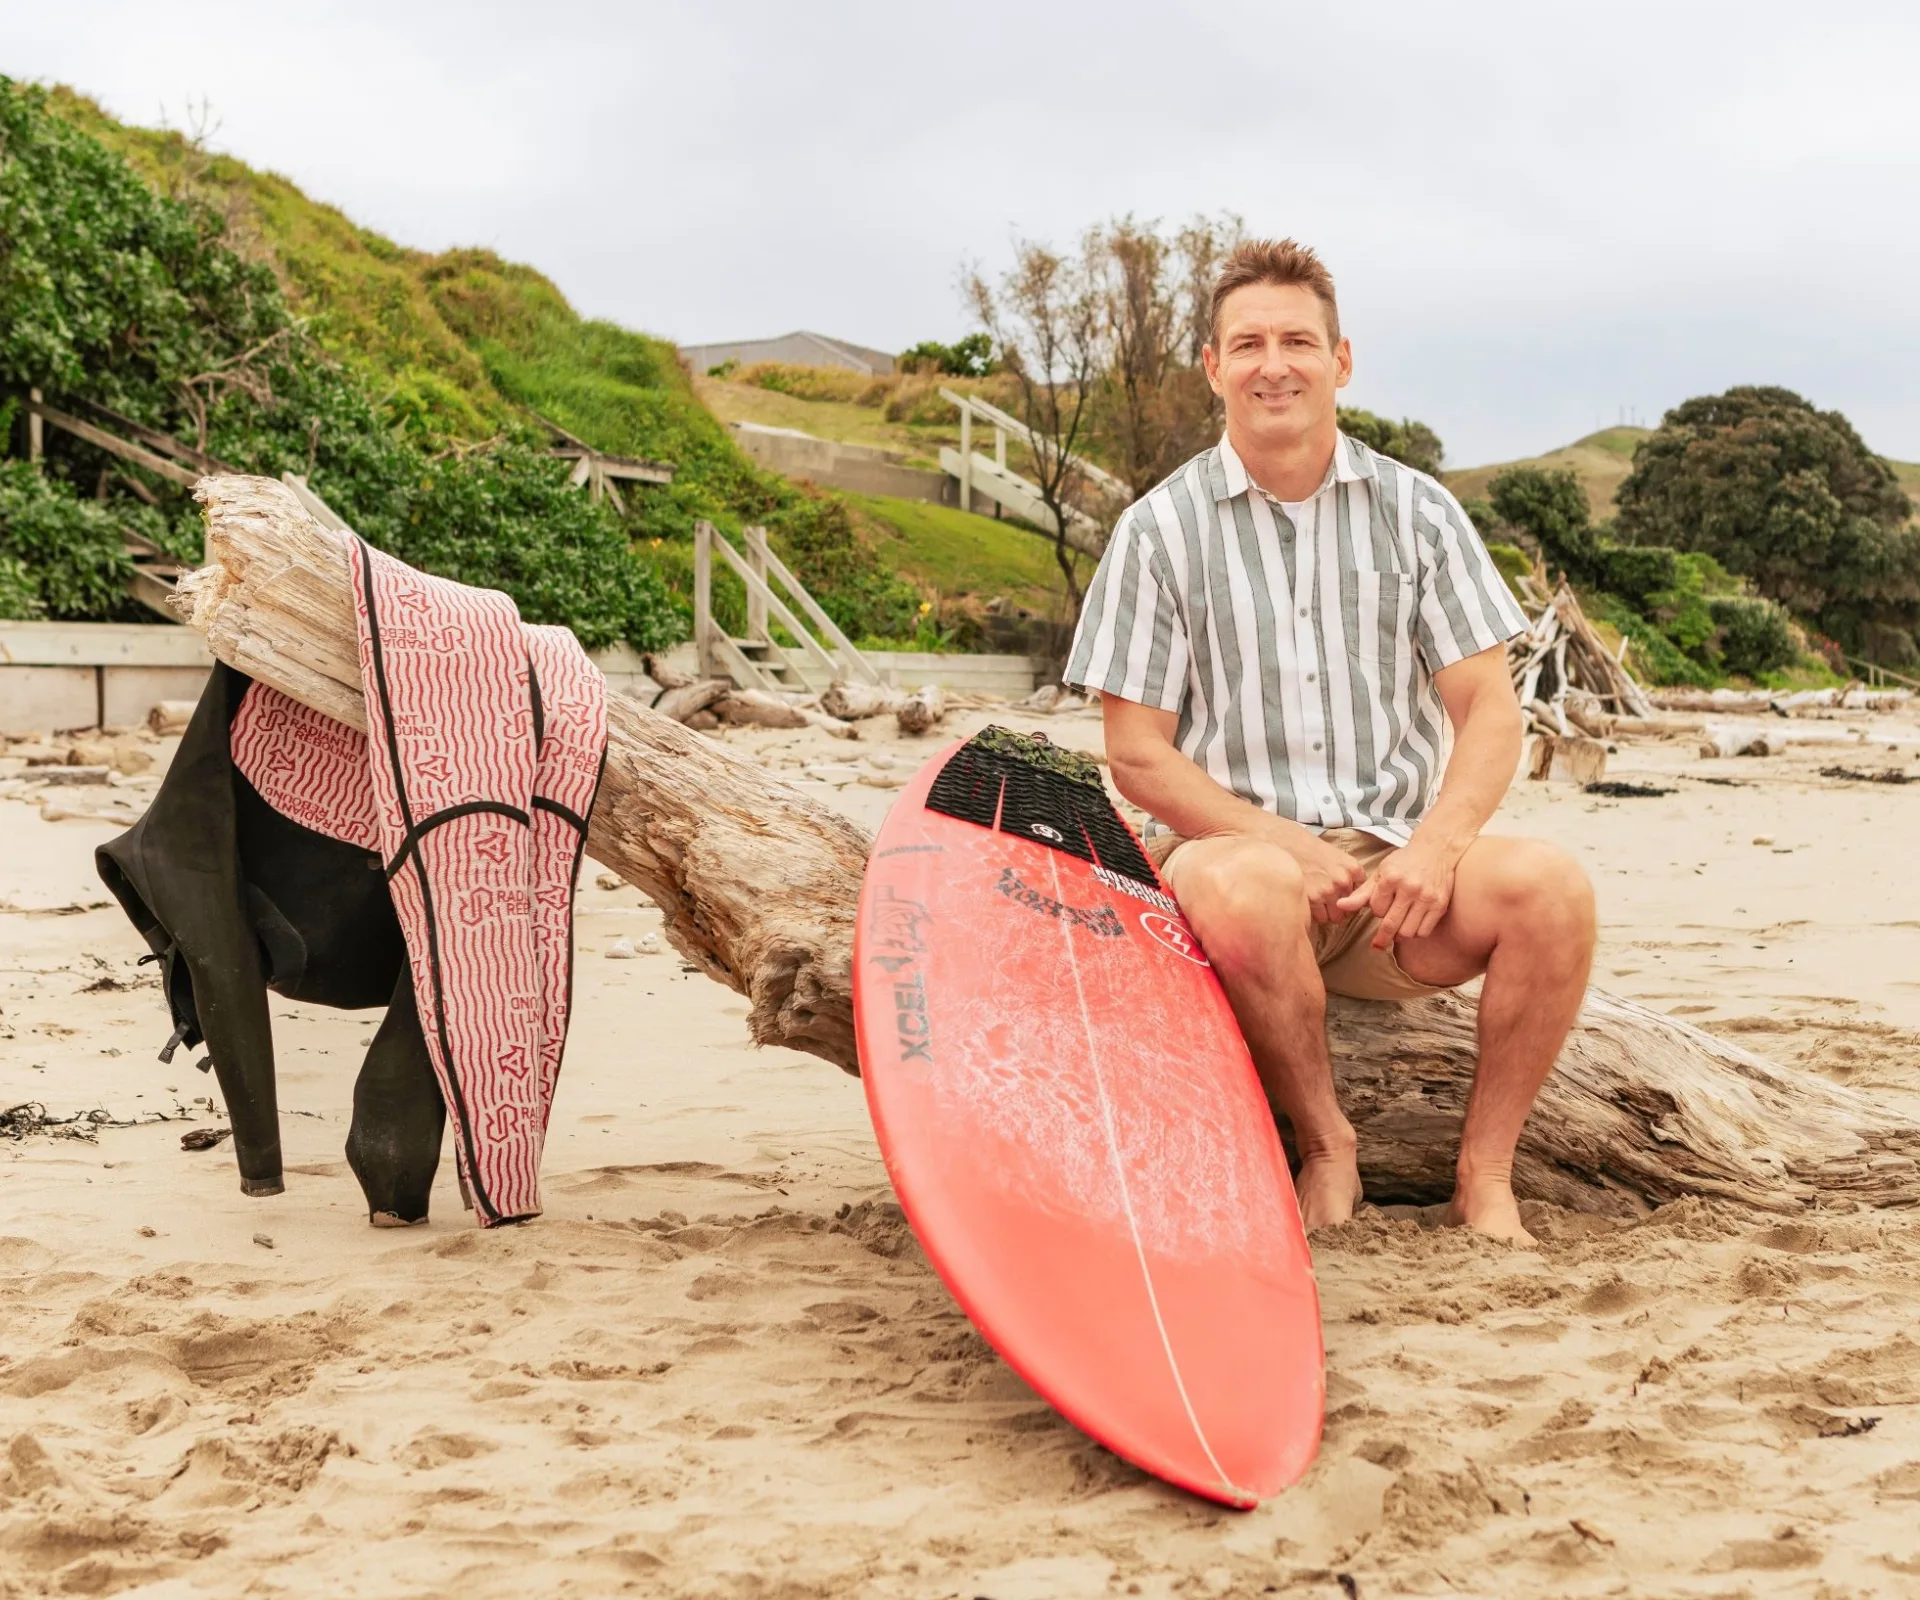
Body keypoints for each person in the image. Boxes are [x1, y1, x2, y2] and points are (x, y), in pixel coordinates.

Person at [1063, 238, 1595, 1245]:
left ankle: (1483, 1177)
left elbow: (1490, 706)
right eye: (1249, 342)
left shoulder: (1419, 513)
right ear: (1213, 367)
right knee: (1239, 884)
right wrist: (1282, 843)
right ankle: (1325, 1142)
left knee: (1554, 891)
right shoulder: (1159, 531)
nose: (1276, 363)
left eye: (1299, 340)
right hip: (1234, 867)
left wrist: (1436, 847)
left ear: (1341, 361)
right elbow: (1137, 753)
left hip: (1392, 871)